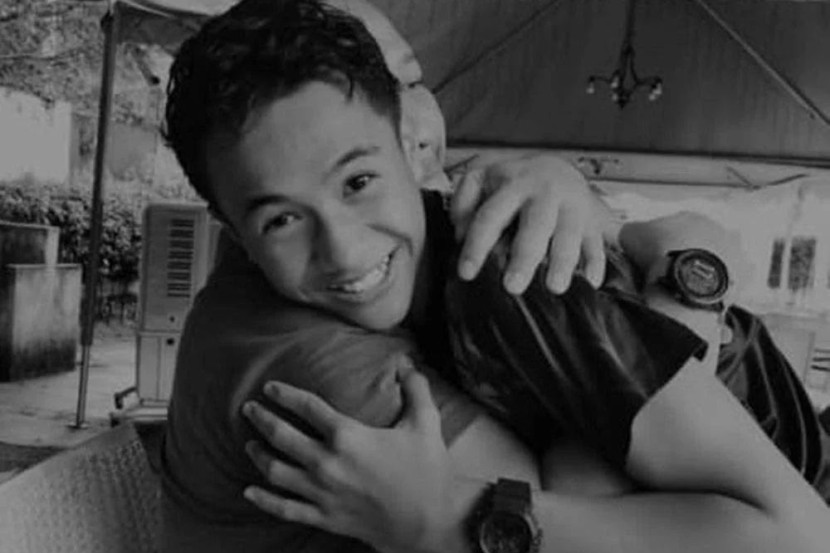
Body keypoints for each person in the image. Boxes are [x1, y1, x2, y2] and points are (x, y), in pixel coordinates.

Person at [160, 1, 830, 552]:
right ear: (234, 232)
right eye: (282, 219)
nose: (342, 248)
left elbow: (800, 533)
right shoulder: (294, 348)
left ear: (412, 143)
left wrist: (443, 519)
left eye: (358, 180)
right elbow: (565, 493)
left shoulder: (513, 273)